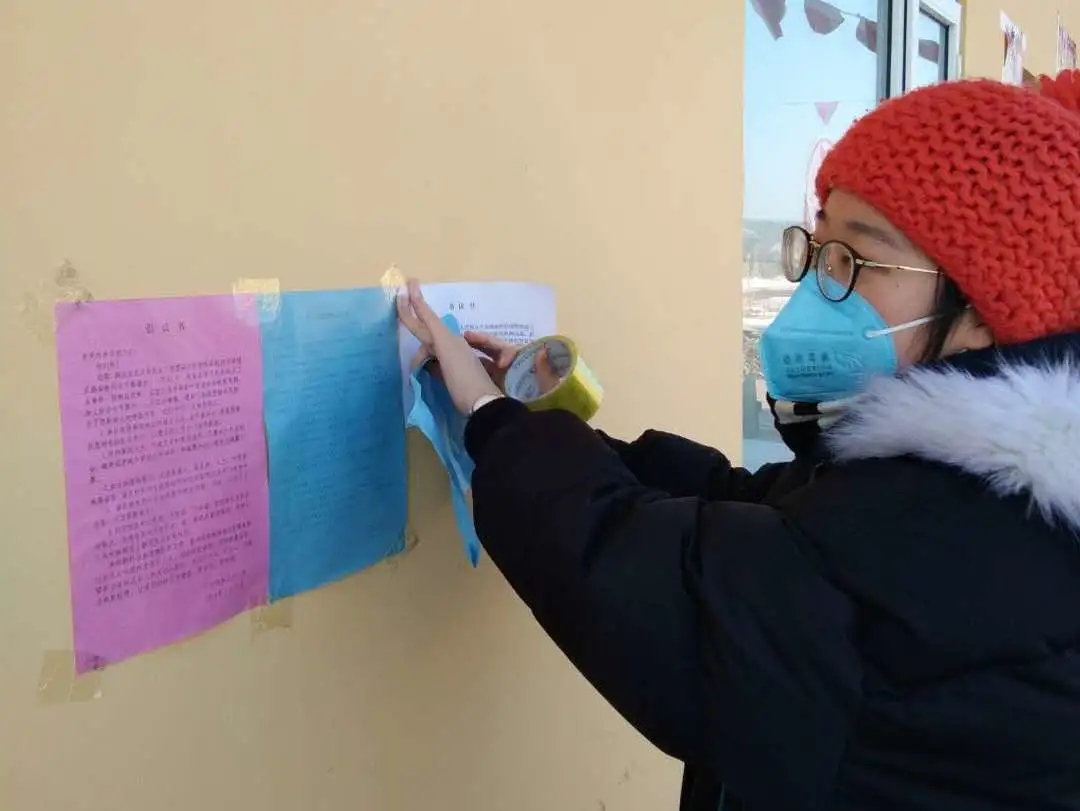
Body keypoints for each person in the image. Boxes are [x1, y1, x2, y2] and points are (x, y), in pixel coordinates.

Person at [397, 72, 1080, 811]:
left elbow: (670, 585)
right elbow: (764, 511)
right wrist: (548, 423)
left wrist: (492, 417)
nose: (818, 287)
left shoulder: (950, 548)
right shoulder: (985, 491)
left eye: (853, 261)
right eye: (817, 250)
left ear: (980, 316)